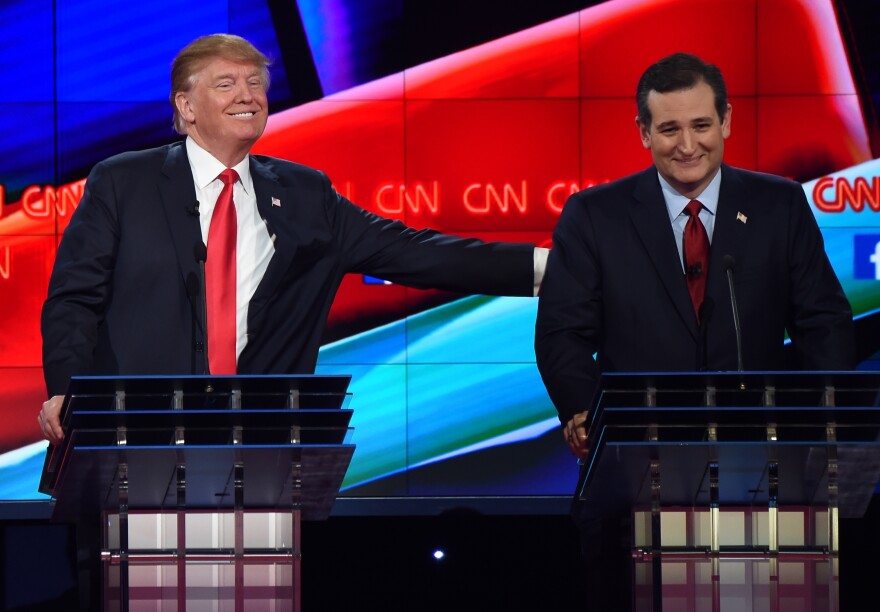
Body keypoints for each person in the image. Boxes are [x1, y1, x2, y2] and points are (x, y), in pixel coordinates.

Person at [38, 33, 547, 445]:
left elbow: (414, 253)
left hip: (262, 442)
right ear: (186, 107)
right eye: (226, 84)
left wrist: (552, 267)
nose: (247, 95)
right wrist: (66, 390)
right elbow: (74, 300)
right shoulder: (124, 182)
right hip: (136, 438)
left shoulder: (305, 195)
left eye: (255, 83)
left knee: (256, 573)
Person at [535, 52, 855, 610]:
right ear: (643, 132)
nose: (688, 145)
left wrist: (816, 420)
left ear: (726, 121)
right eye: (669, 129)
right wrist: (581, 410)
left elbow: (823, 322)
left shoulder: (777, 203)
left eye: (702, 125)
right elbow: (562, 332)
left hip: (763, 474)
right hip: (635, 477)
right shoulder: (594, 215)